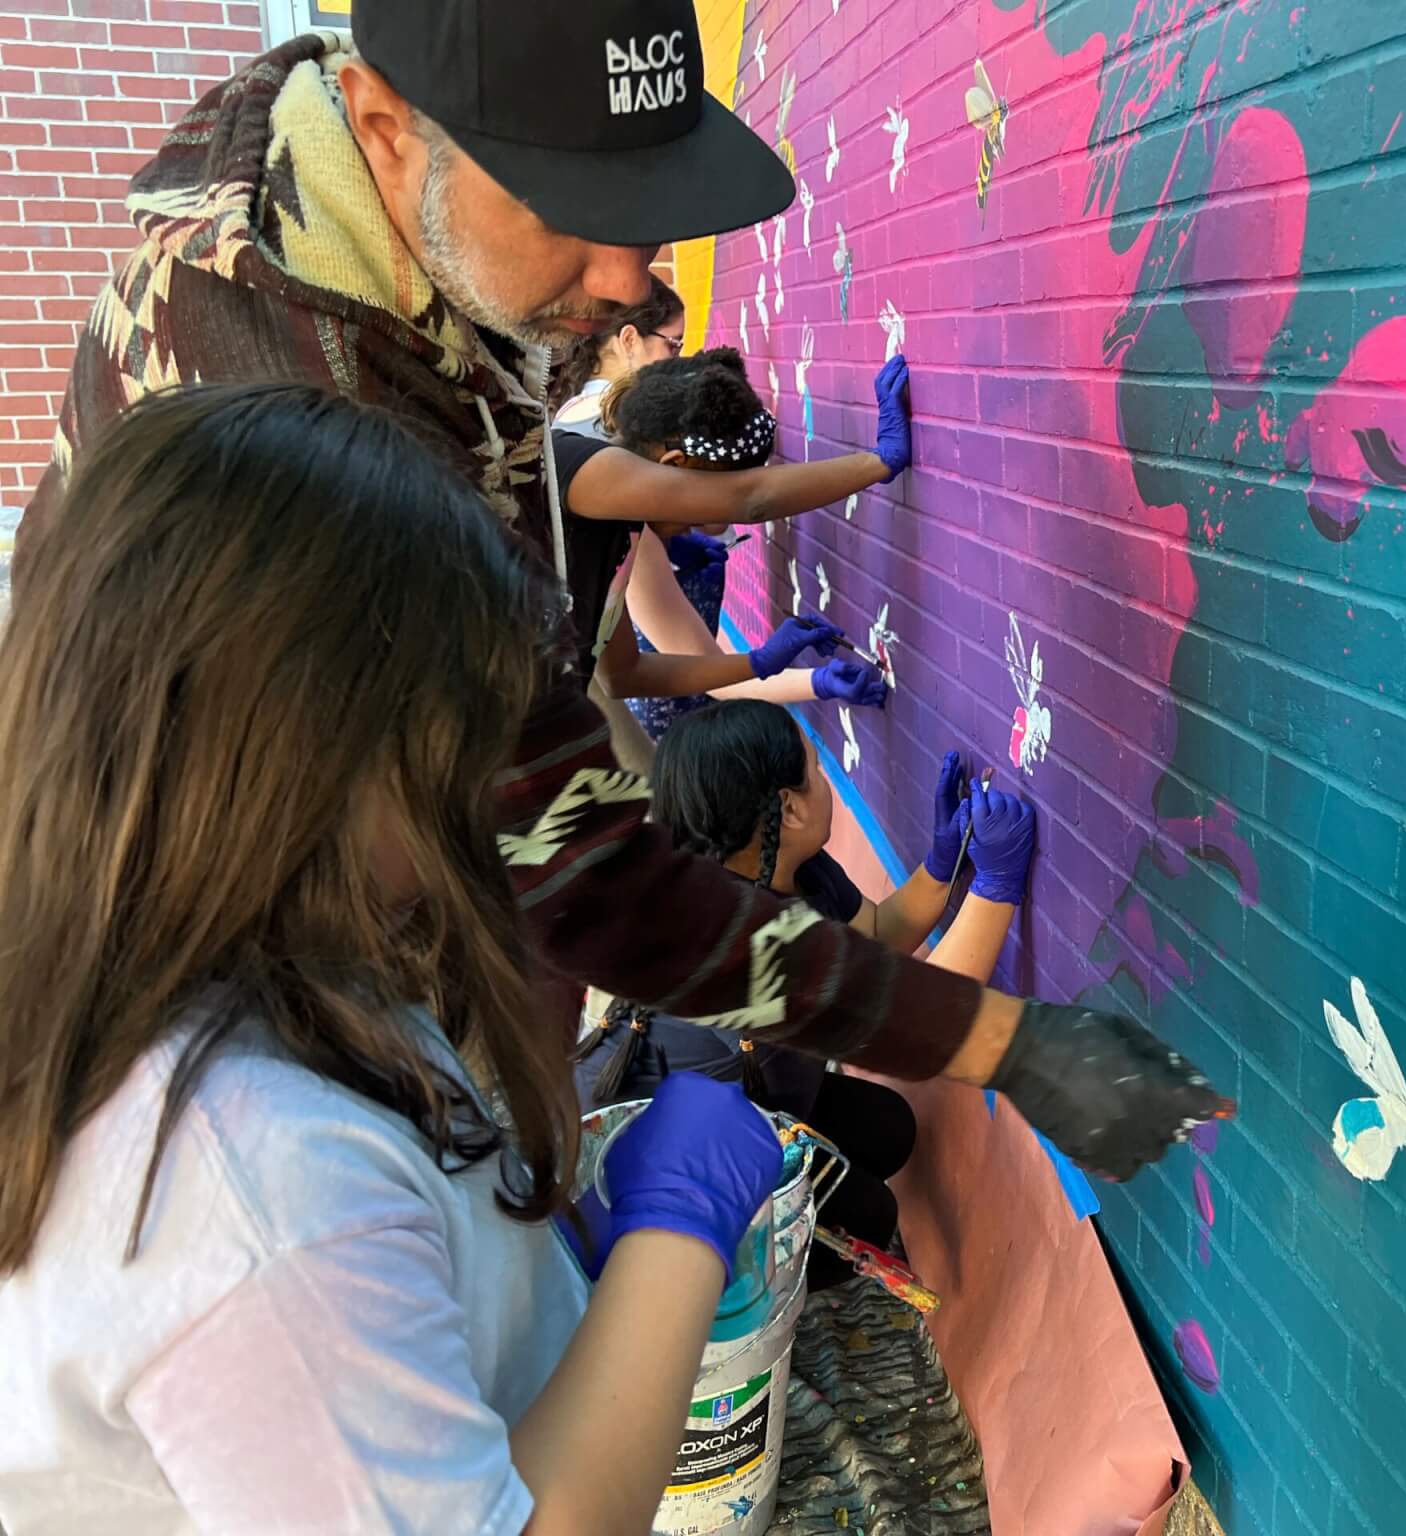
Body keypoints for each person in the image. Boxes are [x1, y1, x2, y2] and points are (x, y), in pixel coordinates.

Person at [17, 0, 1226, 1181]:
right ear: (384, 128)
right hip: (258, 1037)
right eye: (579, 215)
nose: (630, 281)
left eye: (645, 213)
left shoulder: (413, 203)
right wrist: (1007, 1046)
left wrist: (769, 670)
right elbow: (579, 869)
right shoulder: (309, 425)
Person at [0, 383, 788, 1534]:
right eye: (464, 730)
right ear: (316, 750)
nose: (485, 784)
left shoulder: (207, 965)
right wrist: (673, 1242)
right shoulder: (245, 1198)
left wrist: (513, 1259)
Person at [579, 705, 1035, 1287]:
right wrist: (997, 886)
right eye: (817, 771)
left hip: (711, 1126)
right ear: (788, 808)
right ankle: (753, 1293)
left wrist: (942, 865)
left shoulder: (781, 871)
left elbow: (877, 935)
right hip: (653, 1215)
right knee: (869, 1216)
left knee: (886, 1126)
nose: (829, 787)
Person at [552, 349, 896, 737]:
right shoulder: (578, 465)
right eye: (700, 511)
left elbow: (622, 675)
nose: (690, 530)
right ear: (675, 469)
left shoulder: (620, 534)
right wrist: (880, 462)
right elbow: (751, 500)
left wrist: (759, 661)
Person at [548, 273, 686, 436]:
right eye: (673, 345)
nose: (678, 360)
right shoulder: (633, 424)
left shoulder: (567, 411)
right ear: (629, 340)